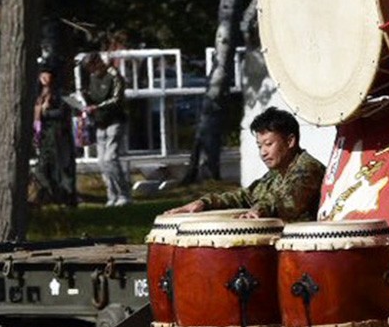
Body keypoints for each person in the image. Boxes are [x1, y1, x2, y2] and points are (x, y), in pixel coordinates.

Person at [167, 106, 324, 221]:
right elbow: (245, 196)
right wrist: (203, 203)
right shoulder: (276, 174)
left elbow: (286, 202)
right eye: (259, 146)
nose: (263, 152)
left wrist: (259, 210)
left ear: (290, 141)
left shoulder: (307, 169)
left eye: (269, 144)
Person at [81, 50, 131, 207]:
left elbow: (117, 98)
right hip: (100, 123)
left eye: (92, 66)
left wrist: (98, 106)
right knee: (102, 161)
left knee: (111, 158)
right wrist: (86, 101)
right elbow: (93, 96)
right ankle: (112, 195)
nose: (92, 71)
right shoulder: (92, 78)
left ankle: (124, 194)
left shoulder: (113, 75)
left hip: (114, 120)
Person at [32, 66, 80, 206]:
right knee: (43, 168)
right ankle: (50, 194)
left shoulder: (60, 94)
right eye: (42, 76)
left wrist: (45, 113)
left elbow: (63, 112)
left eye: (47, 76)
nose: (44, 79)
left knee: (63, 166)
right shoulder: (38, 94)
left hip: (59, 134)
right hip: (44, 135)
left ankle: (67, 197)